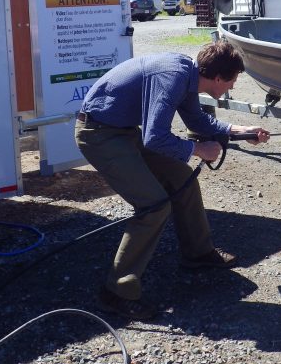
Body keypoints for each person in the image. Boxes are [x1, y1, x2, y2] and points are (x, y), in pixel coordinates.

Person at [75, 41, 270, 320]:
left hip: (122, 132)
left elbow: (197, 122)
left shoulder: (189, 75)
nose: (232, 87)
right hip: (98, 134)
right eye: (232, 81)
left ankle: (198, 254)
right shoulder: (173, 77)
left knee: (182, 178)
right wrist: (198, 149)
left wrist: (239, 130)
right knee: (154, 205)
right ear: (217, 78)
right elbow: (154, 138)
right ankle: (117, 291)